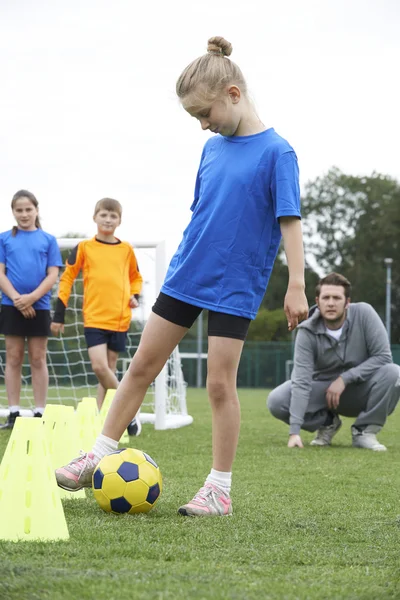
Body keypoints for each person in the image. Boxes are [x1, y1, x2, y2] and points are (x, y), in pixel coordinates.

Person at [55, 36, 309, 516]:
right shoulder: (212, 150)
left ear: (233, 94)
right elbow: (201, 213)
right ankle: (98, 455)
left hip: (236, 283)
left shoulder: (278, 153)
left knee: (218, 384)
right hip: (187, 274)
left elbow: (289, 220)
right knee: (140, 368)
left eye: (205, 113)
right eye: (195, 117)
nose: (202, 125)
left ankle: (218, 490)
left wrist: (296, 283)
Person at [268, 272, 400, 451]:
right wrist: (294, 432)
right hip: (323, 393)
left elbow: (383, 357)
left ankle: (364, 431)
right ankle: (328, 422)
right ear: (318, 300)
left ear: (347, 303)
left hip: (359, 390)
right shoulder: (306, 331)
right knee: (277, 400)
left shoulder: (365, 314)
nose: (331, 303)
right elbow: (301, 381)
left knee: (394, 372)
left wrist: (345, 378)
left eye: (337, 298)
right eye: (326, 297)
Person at [51, 198, 143, 434]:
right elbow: (68, 276)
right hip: (94, 318)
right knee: (100, 367)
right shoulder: (84, 247)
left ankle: (103, 423)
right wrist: (59, 312)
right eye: (104, 215)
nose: (108, 219)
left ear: (119, 220)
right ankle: (130, 412)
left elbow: (136, 278)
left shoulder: (126, 249)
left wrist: (135, 295)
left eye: (113, 216)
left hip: (120, 318)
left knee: (109, 370)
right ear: (95, 217)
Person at [0, 190, 63, 429]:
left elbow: (52, 274)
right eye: (19, 210)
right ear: (13, 212)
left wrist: (32, 298)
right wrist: (17, 299)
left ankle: (40, 412)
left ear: (36, 210)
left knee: (38, 358)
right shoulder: (5, 239)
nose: (24, 214)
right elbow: (1, 273)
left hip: (40, 306)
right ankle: (14, 412)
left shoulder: (48, 240)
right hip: (10, 305)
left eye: (28, 209)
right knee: (13, 357)